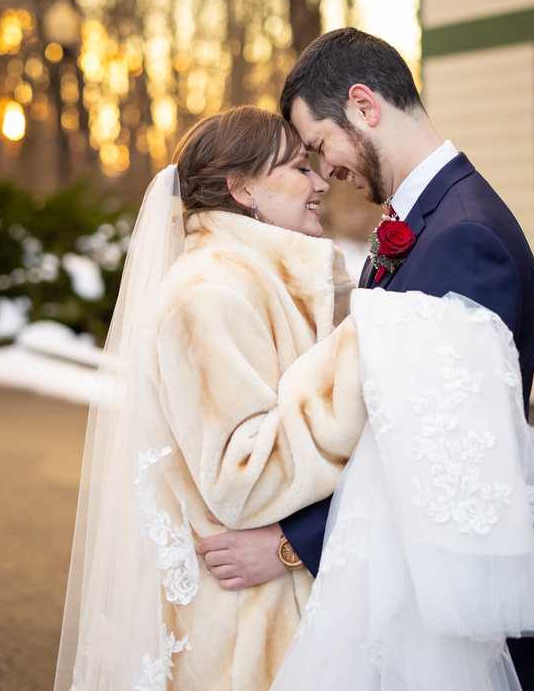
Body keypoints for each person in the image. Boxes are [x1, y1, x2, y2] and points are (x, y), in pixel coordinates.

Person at [199, 29, 534, 691]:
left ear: (364, 106)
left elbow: (430, 457)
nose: (324, 172)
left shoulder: (463, 237)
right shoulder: (433, 220)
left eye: (319, 146)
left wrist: (288, 545)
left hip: (442, 618)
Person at [54, 106, 366, 691]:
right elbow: (240, 475)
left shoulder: (256, 279)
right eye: (300, 167)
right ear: (241, 187)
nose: (321, 181)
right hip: (245, 637)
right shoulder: (209, 293)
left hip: (276, 609)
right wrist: (355, 360)